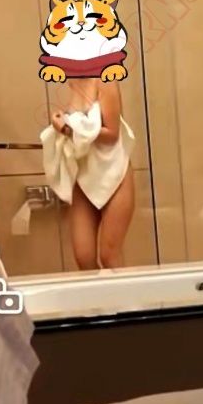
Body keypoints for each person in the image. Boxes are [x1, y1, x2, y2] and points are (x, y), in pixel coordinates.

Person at [49, 77, 135, 271]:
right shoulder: (73, 82)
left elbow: (112, 134)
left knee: (109, 256)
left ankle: (125, 292)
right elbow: (84, 125)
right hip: (85, 173)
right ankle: (103, 294)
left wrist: (68, 129)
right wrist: (62, 122)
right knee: (84, 257)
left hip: (115, 173)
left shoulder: (105, 80)